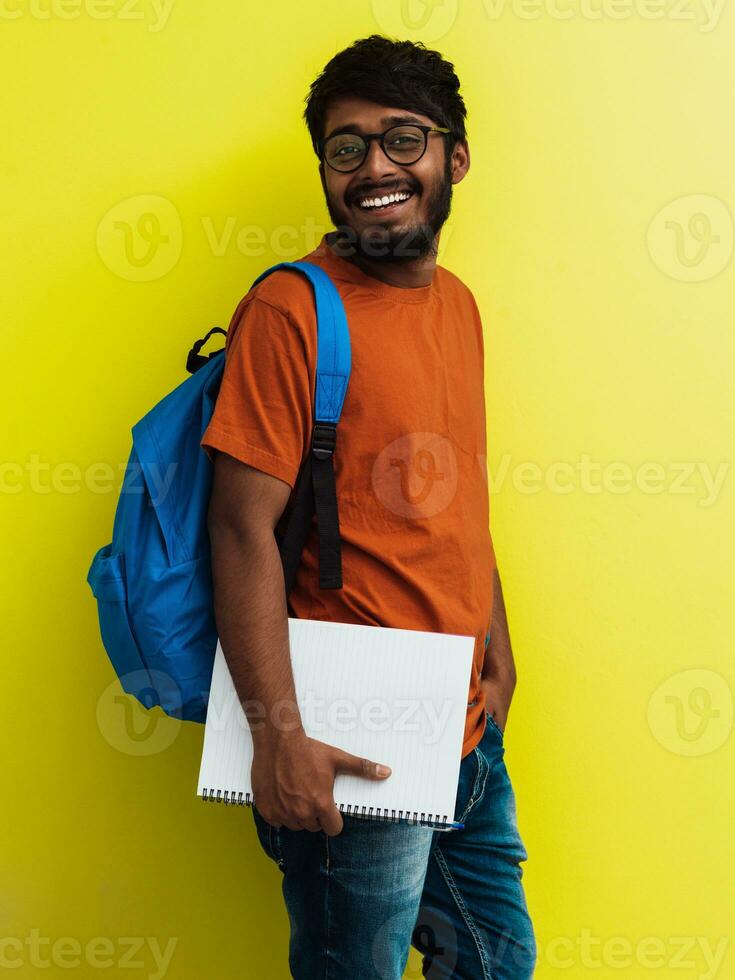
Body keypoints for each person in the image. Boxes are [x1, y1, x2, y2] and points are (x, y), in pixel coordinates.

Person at [201, 34, 536, 980]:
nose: (375, 169)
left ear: (453, 157)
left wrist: (496, 646)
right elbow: (239, 527)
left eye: (402, 139)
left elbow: (453, 495)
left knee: (494, 958)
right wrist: (278, 735)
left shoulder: (458, 306)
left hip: (465, 722)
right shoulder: (291, 310)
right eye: (346, 148)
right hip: (353, 736)